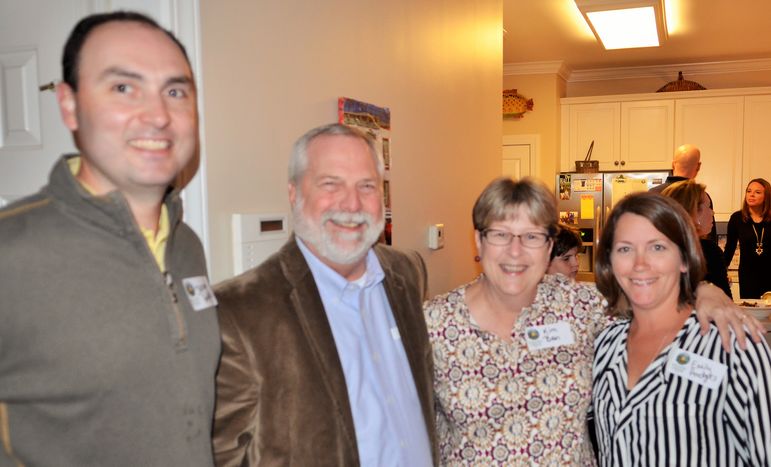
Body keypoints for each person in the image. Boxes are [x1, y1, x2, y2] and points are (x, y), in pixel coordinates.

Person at [0, 11, 219, 467]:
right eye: (124, 88)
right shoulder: (10, 251)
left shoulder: (187, 245)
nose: (158, 115)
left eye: (175, 91)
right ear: (69, 105)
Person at [423, 177, 761, 466]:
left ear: (548, 247)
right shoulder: (433, 323)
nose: (516, 251)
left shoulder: (579, 306)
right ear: (479, 242)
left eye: (531, 236)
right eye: (500, 235)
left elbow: (650, 293)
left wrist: (704, 290)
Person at [212, 123, 435, 466]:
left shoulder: (405, 274)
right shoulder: (237, 312)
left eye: (367, 186)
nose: (351, 203)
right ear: (293, 193)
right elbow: (221, 456)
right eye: (331, 184)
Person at [592, 192, 771, 465]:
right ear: (610, 262)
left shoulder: (734, 346)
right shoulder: (605, 344)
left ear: (685, 259)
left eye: (658, 247)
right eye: (625, 249)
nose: (640, 264)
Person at [662, 179, 732, 298]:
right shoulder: (708, 250)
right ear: (693, 212)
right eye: (709, 207)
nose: (712, 212)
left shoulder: (660, 248)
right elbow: (726, 304)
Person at [650, 143, 717, 241]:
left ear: (673, 164)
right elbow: (709, 236)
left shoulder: (652, 194)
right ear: (698, 166)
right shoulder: (701, 196)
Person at [724, 178, 771, 299]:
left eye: (757, 192)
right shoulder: (737, 218)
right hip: (748, 276)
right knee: (750, 311)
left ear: (766, 197)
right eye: (749, 191)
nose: (751, 195)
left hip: (770, 274)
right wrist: (721, 270)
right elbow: (730, 248)